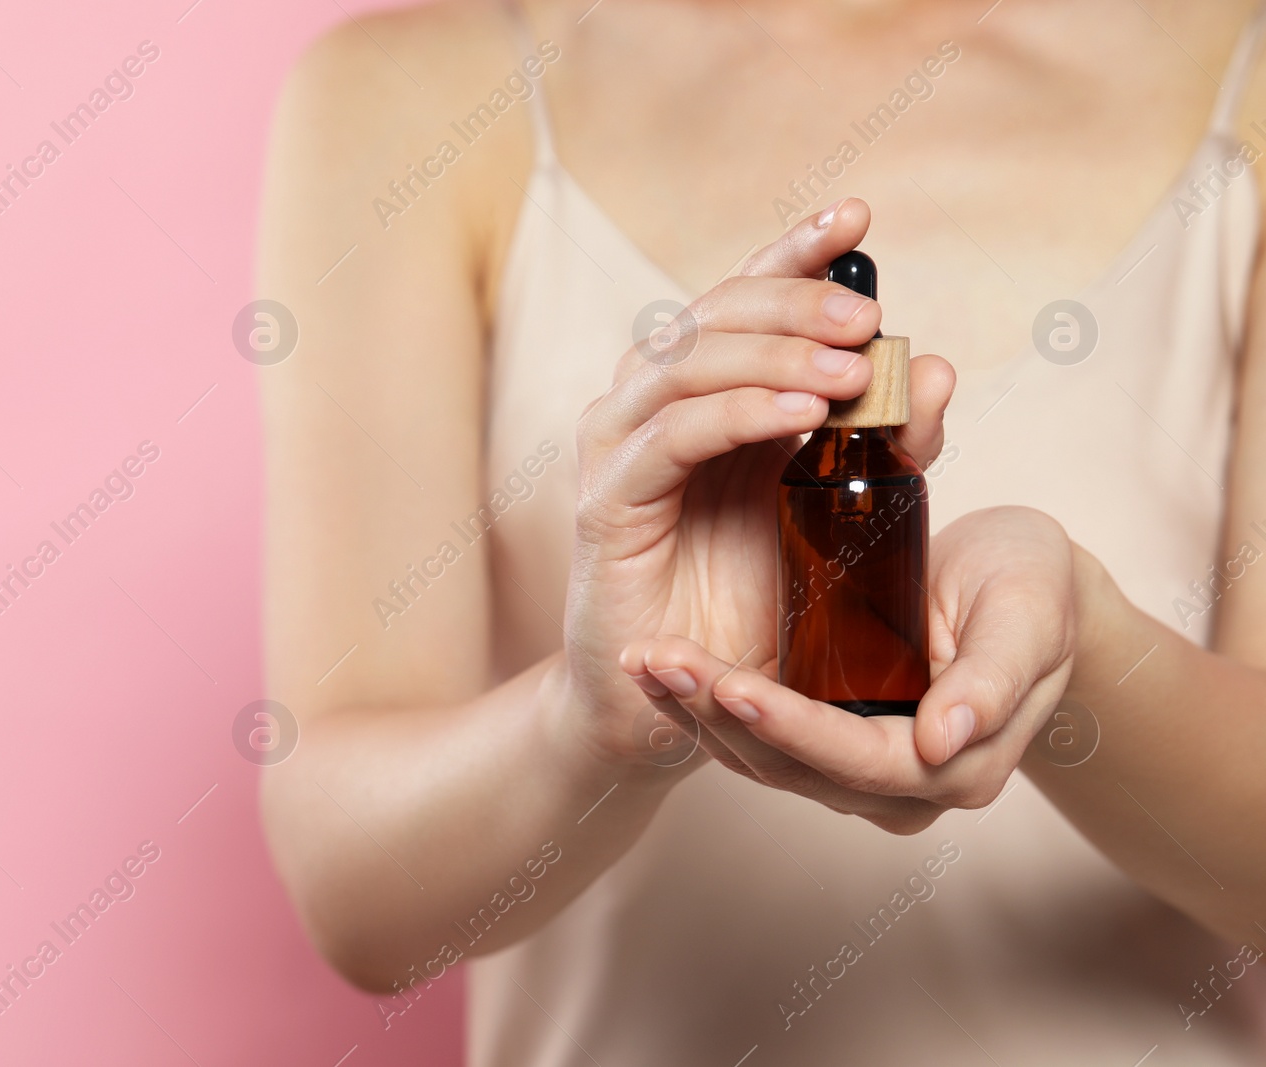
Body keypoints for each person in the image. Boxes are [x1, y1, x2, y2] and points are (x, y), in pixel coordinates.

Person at [256, 0, 1266, 1060]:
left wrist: (1083, 653)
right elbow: (359, 901)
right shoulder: (419, 95)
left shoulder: (1240, 76)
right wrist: (590, 724)